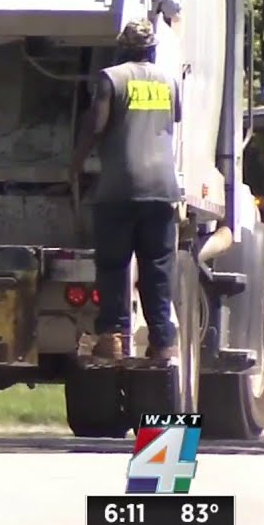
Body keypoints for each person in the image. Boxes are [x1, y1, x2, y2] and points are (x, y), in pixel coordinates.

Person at [69, 18, 182, 364]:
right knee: (157, 266)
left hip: (120, 187)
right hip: (163, 189)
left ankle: (113, 337)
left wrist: (74, 163)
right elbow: (173, 120)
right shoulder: (170, 82)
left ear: (123, 47)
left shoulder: (111, 78)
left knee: (115, 265)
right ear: (152, 49)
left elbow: (98, 125)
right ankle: (163, 342)